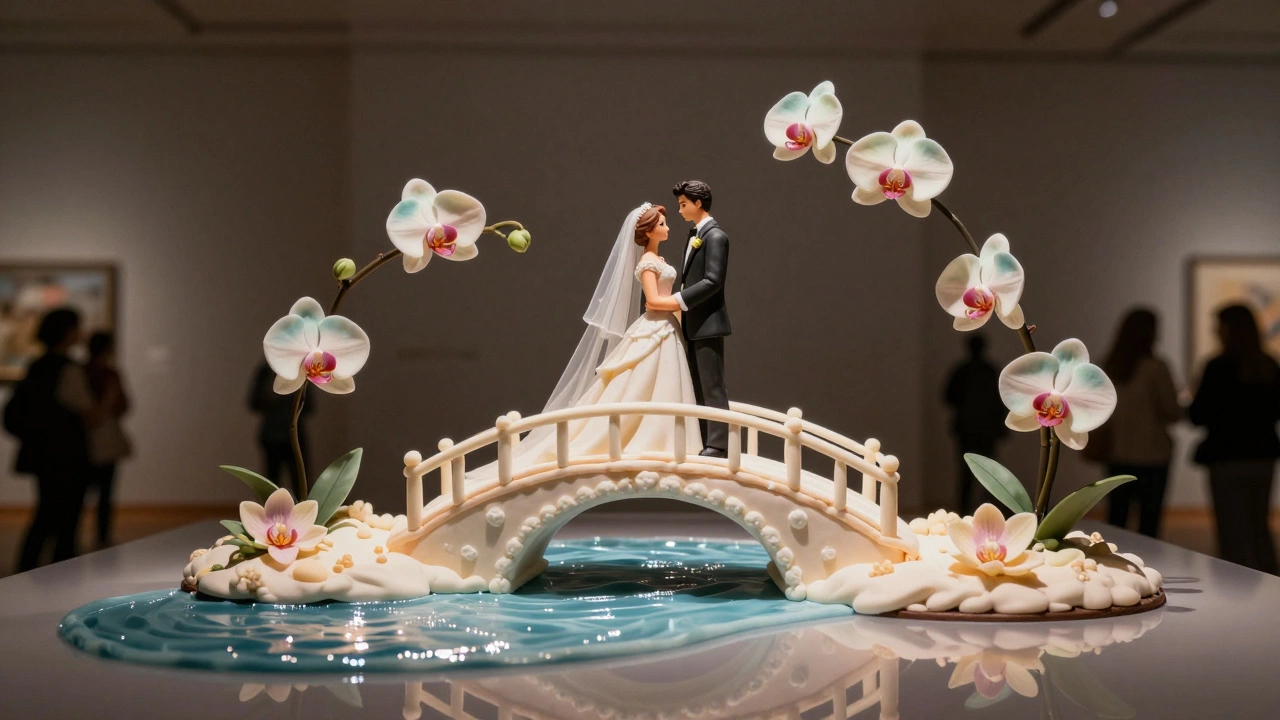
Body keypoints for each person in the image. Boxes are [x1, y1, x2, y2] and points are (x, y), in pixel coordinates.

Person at [478, 202, 702, 475]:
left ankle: (663, 439)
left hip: (667, 327)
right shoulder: (647, 263)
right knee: (639, 381)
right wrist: (683, 301)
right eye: (662, 225)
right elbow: (653, 301)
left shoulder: (659, 260)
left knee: (662, 381)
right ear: (648, 231)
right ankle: (643, 438)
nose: (667, 228)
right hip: (656, 324)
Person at [1189, 304, 1280, 574]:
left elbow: (1198, 415)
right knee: (1259, 526)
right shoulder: (1267, 365)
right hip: (1262, 455)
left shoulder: (1217, 367)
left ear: (1227, 330)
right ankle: (1271, 584)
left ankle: (1234, 585)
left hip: (1225, 457)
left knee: (1230, 531)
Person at [3, 308, 94, 570]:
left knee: (46, 514)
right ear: (68, 332)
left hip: (44, 452)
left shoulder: (38, 365)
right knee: (65, 520)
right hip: (67, 453)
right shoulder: (67, 368)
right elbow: (90, 413)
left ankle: (27, 570)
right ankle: (60, 573)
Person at [646, 180, 731, 458]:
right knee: (697, 384)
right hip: (692, 323)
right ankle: (704, 439)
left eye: (683, 204)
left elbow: (713, 281)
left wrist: (678, 301)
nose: (680, 210)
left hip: (708, 323)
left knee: (712, 385)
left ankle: (718, 445)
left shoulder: (715, 237)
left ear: (698, 203)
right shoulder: (694, 234)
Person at [1096, 309, 1182, 538]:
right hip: (1153, 454)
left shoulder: (1108, 367)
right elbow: (1172, 411)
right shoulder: (1156, 367)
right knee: (1149, 524)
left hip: (1117, 453)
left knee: (1117, 519)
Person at [943, 335, 1007, 513]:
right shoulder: (988, 371)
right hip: (982, 430)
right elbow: (1000, 401)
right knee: (985, 472)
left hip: (971, 429)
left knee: (972, 472)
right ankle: (984, 509)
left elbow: (948, 397)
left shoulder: (964, 371)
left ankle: (972, 509)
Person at [84, 331, 131, 549]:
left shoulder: (82, 371)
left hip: (85, 440)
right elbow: (123, 406)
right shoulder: (109, 374)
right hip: (100, 439)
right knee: (105, 492)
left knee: (82, 493)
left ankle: (75, 540)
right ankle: (102, 536)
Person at [249, 360, 310, 496]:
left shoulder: (302, 372)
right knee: (271, 483)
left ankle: (305, 509)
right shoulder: (265, 372)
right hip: (271, 436)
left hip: (295, 436)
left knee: (300, 482)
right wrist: (269, 398)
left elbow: (309, 406)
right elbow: (253, 402)